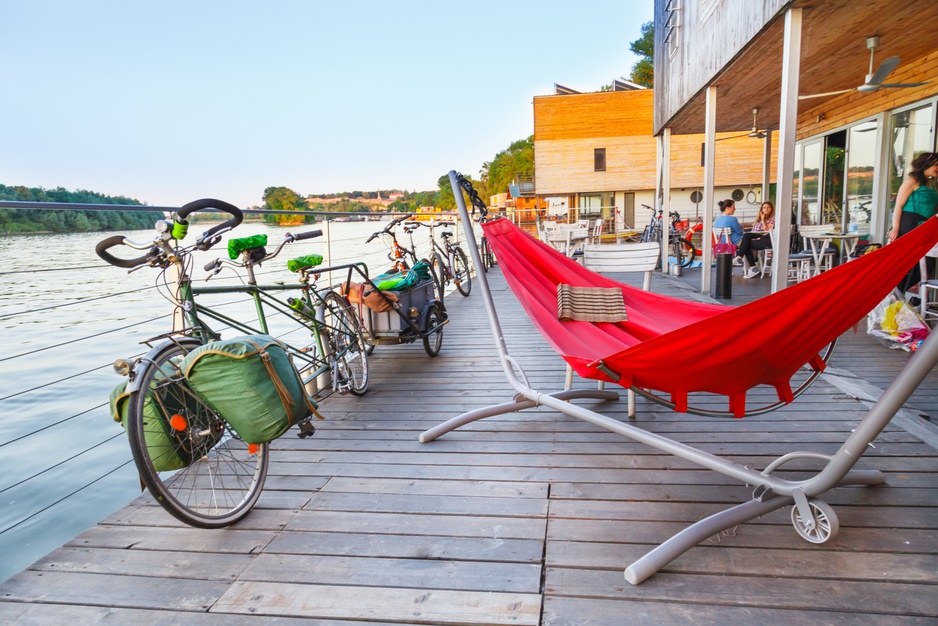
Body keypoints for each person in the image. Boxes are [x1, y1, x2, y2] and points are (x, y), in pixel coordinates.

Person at [887, 152, 938, 293]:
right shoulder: (911, 181)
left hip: (925, 226)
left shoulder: (932, 183)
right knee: (905, 262)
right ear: (926, 165)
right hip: (909, 224)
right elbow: (898, 205)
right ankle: (896, 294)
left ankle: (897, 293)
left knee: (927, 263)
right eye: (936, 165)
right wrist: (896, 227)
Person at [734, 201, 775, 278]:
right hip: (758, 237)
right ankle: (751, 266)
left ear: (772, 209)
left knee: (746, 243)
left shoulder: (773, 218)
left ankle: (743, 260)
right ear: (761, 209)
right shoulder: (758, 219)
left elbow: (766, 229)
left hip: (766, 238)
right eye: (764, 208)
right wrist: (761, 219)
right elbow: (754, 230)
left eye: (768, 207)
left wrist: (763, 220)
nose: (766, 209)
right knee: (746, 241)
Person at [713, 198, 743, 268]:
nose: (735, 209)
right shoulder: (732, 219)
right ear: (727, 208)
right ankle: (750, 266)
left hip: (721, 244)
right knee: (748, 243)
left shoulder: (717, 219)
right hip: (734, 242)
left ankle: (741, 260)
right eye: (733, 207)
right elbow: (740, 232)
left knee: (746, 243)